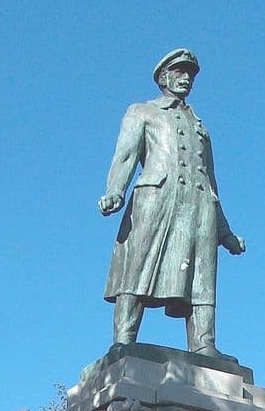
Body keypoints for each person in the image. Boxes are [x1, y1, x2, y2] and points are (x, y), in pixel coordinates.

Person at [98, 48, 245, 356]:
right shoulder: (143, 111)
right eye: (180, 72)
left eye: (189, 74)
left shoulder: (200, 126)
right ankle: (123, 341)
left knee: (202, 277)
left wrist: (225, 232)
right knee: (137, 267)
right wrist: (115, 190)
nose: (186, 78)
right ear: (163, 77)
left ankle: (205, 344)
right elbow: (126, 156)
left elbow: (211, 180)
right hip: (155, 200)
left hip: (199, 206)